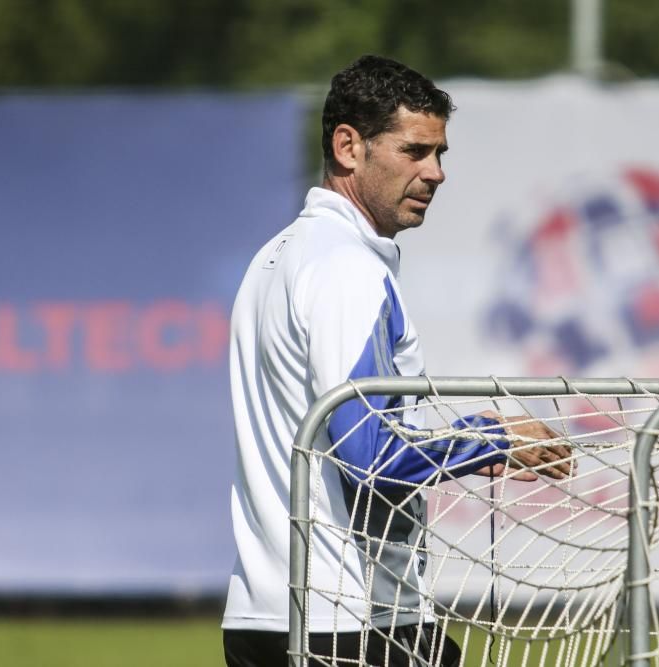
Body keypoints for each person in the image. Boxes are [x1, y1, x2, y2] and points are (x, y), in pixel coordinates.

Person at [221, 55, 572, 667]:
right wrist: (494, 438)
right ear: (349, 146)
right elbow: (369, 454)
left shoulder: (274, 258)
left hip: (266, 616)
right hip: (347, 621)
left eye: (440, 155)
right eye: (415, 151)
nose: (435, 173)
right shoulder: (346, 267)